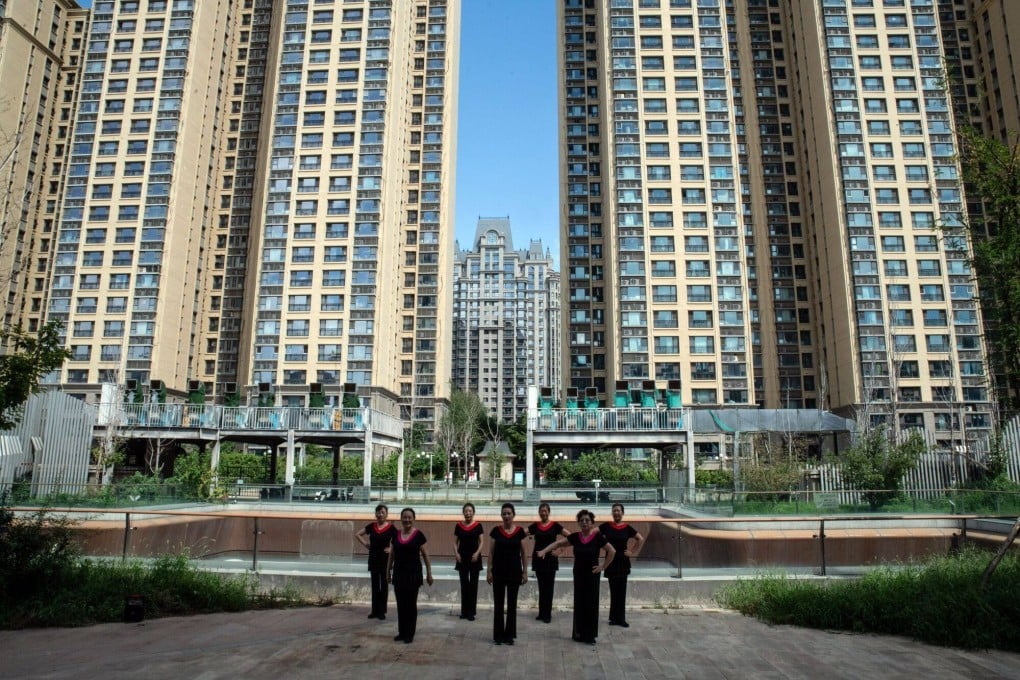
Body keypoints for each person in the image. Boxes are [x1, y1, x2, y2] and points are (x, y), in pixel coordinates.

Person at [536, 509, 615, 645]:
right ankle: (578, 633)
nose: (584, 522)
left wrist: (603, 566)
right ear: (578, 523)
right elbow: (558, 543)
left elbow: (612, 551)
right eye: (582, 520)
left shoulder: (597, 537)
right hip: (578, 574)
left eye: (587, 520)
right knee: (579, 603)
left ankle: (589, 635)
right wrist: (544, 550)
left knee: (590, 604)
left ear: (592, 523)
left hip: (592, 575)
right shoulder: (575, 537)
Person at [386, 507, 433, 644]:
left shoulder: (419, 535)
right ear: (401, 519)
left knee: (411, 605)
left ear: (413, 519)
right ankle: (402, 632)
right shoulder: (396, 535)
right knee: (401, 604)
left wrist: (429, 573)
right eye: (404, 517)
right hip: (399, 574)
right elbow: (392, 555)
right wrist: (388, 571)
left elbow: (425, 555)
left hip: (413, 575)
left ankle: (409, 633)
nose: (407, 520)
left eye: (409, 517)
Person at [486, 502, 527, 645]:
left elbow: (523, 553)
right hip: (498, 572)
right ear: (501, 515)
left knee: (511, 604)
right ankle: (498, 635)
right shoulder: (495, 531)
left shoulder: (520, 532)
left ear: (513, 515)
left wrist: (525, 572)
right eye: (504, 513)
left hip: (515, 572)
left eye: (509, 513)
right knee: (498, 604)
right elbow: (490, 553)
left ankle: (509, 635)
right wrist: (488, 571)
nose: (506, 516)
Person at [599, 503, 645, 628]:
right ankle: (613, 618)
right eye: (614, 511)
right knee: (613, 591)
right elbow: (594, 534)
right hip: (611, 561)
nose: (616, 513)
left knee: (621, 591)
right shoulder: (606, 526)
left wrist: (632, 552)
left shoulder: (627, 528)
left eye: (618, 511)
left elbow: (640, 538)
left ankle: (621, 619)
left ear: (622, 513)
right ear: (612, 513)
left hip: (623, 562)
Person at [527, 502, 569, 623]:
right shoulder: (536, 526)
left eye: (545, 511)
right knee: (541, 587)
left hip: (551, 560)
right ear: (539, 512)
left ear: (548, 512)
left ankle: (547, 615)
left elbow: (570, 536)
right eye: (541, 511)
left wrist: (561, 550)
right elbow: (523, 533)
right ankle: (541, 613)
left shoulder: (555, 526)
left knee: (549, 588)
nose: (543, 513)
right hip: (539, 559)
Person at [355, 504, 397, 620]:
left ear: (387, 514)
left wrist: (391, 549)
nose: (380, 514)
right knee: (374, 585)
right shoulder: (372, 526)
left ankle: (382, 611)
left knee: (384, 585)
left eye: (383, 512)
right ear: (375, 514)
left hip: (385, 559)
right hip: (373, 558)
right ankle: (374, 610)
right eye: (378, 512)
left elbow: (397, 540)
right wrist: (365, 544)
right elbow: (357, 534)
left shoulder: (391, 528)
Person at [454, 502, 484, 620]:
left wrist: (477, 553)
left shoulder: (478, 526)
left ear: (473, 512)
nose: (468, 513)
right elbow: (454, 543)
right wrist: (456, 554)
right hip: (462, 558)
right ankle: (464, 611)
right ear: (463, 512)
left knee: (473, 585)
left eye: (470, 511)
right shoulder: (458, 526)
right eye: (466, 511)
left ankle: (471, 612)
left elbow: (481, 542)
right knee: (464, 584)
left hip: (474, 558)